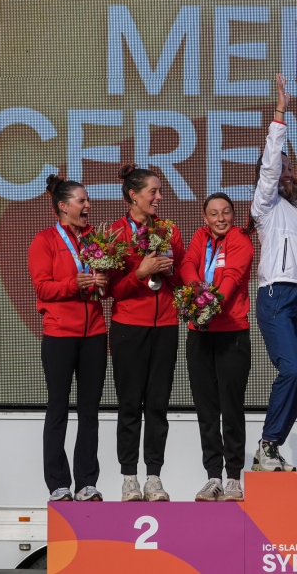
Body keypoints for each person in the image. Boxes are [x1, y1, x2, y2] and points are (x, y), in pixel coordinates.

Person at [250, 74, 297, 472]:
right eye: (279, 174)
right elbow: (269, 166)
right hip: (276, 296)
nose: (285, 176)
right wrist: (280, 113)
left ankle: (271, 448)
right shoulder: (265, 208)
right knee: (292, 368)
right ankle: (267, 442)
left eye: (290, 174)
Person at [28, 174, 108, 502]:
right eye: (82, 201)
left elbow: (105, 282)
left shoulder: (95, 240)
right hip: (59, 334)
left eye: (87, 201)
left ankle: (87, 482)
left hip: (95, 334)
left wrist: (103, 281)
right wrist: (75, 284)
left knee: (89, 410)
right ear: (63, 207)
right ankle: (59, 484)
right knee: (58, 408)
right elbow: (43, 287)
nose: (88, 206)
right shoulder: (44, 240)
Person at [108, 164, 183, 501]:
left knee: (157, 405)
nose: (159, 197)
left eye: (159, 191)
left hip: (165, 326)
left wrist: (173, 274)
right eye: (153, 191)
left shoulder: (170, 231)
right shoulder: (114, 234)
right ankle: (128, 478)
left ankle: (154, 476)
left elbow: (180, 277)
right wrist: (140, 272)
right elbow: (111, 289)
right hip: (128, 328)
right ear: (133, 196)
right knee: (129, 405)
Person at [180, 193, 255, 501]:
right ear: (204, 216)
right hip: (199, 334)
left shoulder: (241, 241)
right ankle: (213, 477)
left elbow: (233, 278)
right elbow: (187, 264)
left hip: (232, 333)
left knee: (231, 407)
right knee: (207, 409)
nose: (220, 218)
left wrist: (211, 303)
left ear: (233, 215)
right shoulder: (200, 236)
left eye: (226, 212)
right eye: (214, 213)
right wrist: (197, 292)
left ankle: (234, 477)